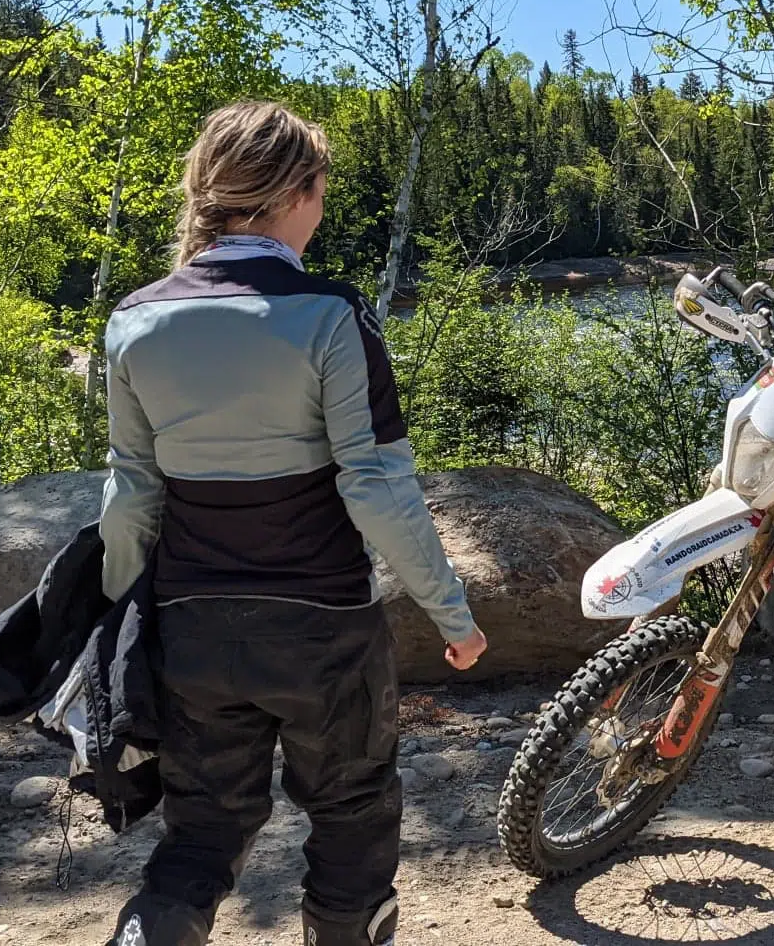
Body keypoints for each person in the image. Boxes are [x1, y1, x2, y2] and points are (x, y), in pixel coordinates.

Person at [98, 101, 488, 946]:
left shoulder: (134, 320)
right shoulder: (329, 315)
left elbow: (131, 497)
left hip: (192, 626)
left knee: (199, 835)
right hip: (323, 630)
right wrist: (453, 616)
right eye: (320, 188)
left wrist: (119, 617)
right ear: (299, 193)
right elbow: (378, 488)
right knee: (351, 814)